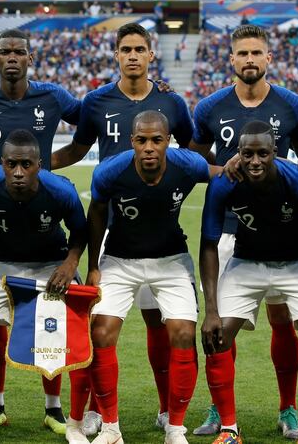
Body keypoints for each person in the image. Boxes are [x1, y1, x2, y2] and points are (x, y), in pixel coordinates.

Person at [51, 24, 195, 435]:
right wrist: (43, 164)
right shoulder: (96, 100)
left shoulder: (171, 102)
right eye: (125, 49)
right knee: (103, 328)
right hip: (110, 234)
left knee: (158, 324)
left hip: (157, 227)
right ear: (116, 54)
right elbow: (79, 149)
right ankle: (98, 409)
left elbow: (192, 150)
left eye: (140, 49)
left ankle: (168, 409)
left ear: (151, 55)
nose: (132, 55)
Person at [0, 28, 82, 434]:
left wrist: (51, 167)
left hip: (44, 221)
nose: (12, 57)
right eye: (4, 51)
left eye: (19, 51)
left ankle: (54, 407)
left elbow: (90, 123)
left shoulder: (54, 96)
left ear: (30, 57)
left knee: (49, 320)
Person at [190, 24, 298, 439]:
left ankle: (289, 409)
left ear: (268, 58)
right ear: (231, 59)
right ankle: (218, 410)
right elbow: (196, 152)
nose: (249, 60)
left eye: (256, 53)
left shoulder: (293, 106)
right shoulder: (210, 107)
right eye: (241, 53)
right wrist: (220, 169)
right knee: (223, 324)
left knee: (283, 321)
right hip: (229, 231)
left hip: (283, 231)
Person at [81, 111, 221, 444]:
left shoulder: (187, 164)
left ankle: (175, 427)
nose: (148, 147)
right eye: (141, 140)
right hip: (119, 259)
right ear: (132, 141)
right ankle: (111, 428)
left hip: (171, 260)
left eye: (156, 140)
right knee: (100, 332)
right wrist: (94, 266)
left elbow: (219, 171)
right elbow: (97, 214)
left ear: (168, 141)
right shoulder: (110, 171)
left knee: (183, 334)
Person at [200, 120, 298, 444]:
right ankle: (230, 429)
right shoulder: (224, 184)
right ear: (238, 154)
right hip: (247, 262)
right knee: (217, 336)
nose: (255, 161)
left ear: (276, 152)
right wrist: (210, 310)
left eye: (263, 153)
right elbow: (208, 246)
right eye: (248, 154)